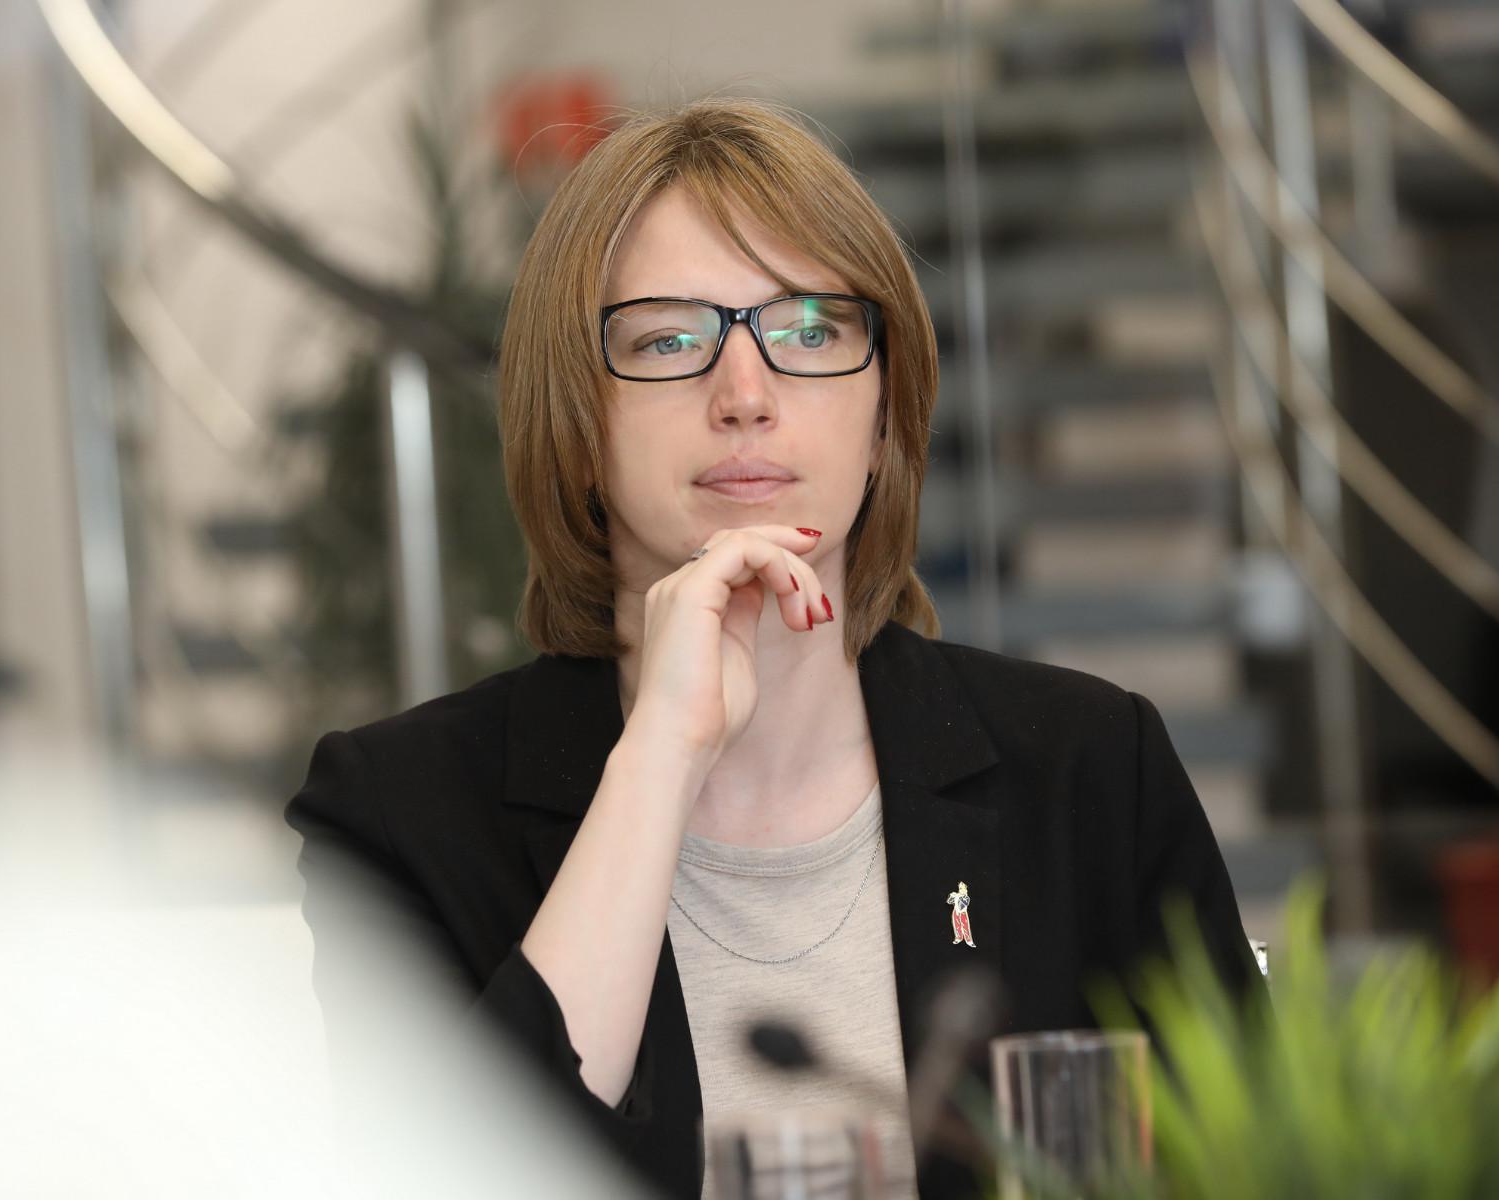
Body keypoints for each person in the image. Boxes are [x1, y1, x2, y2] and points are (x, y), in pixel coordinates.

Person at [284, 97, 1260, 1200]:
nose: (745, 396)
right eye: (667, 340)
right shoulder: (400, 814)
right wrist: (659, 757)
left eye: (809, 332)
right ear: (578, 422)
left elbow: (1266, 1169)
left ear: (883, 415)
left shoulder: (1089, 768)